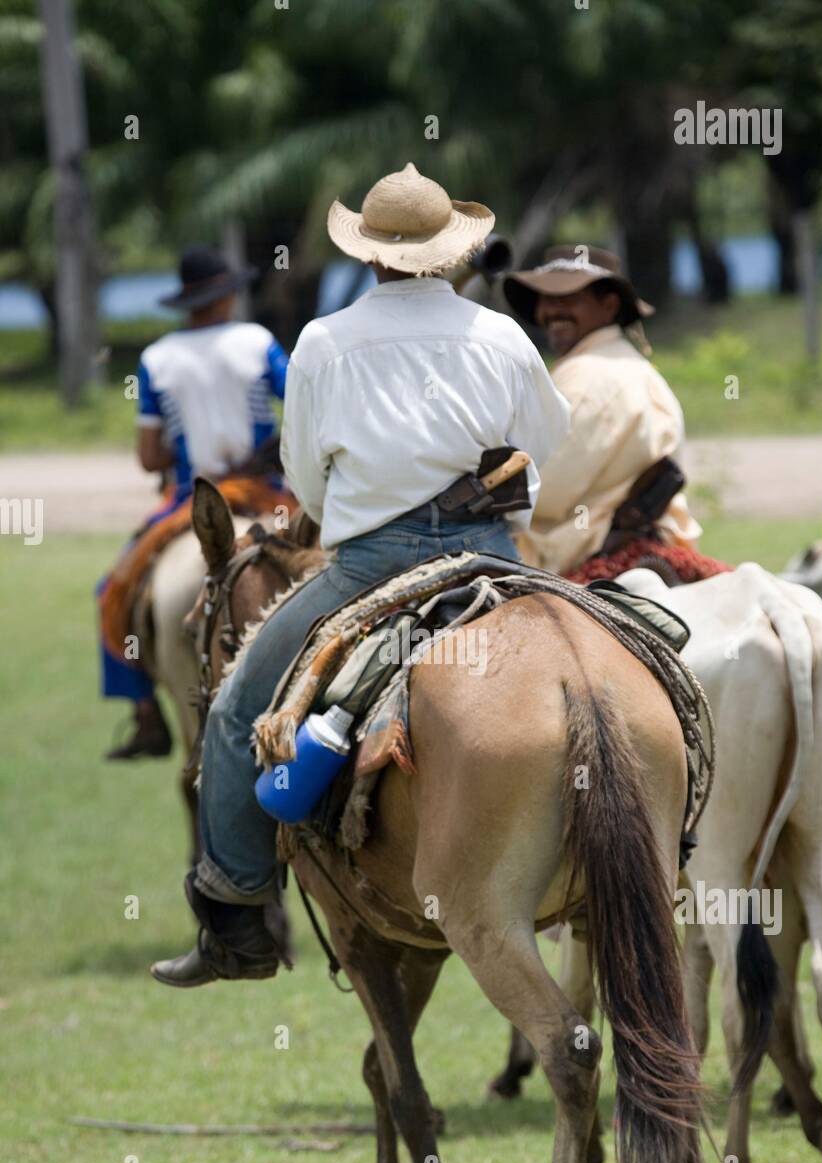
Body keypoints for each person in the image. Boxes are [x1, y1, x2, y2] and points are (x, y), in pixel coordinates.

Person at [151, 162, 570, 987]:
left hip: (373, 565)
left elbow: (304, 482)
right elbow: (545, 448)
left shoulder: (323, 341)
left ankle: (236, 915)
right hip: (494, 555)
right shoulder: (503, 336)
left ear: (370, 256)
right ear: (452, 255)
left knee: (238, 710)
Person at [99, 245, 290, 759]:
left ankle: (145, 716)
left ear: (187, 303)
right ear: (227, 296)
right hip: (264, 491)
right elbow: (304, 403)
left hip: (190, 498)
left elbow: (147, 456)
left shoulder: (156, 359)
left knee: (112, 590)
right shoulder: (256, 341)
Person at [502, 245, 729, 583]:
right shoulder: (638, 368)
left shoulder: (586, 377)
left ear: (608, 306)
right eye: (546, 298)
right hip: (649, 540)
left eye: (567, 299)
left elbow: (540, 494)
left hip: (579, 551)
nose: (551, 310)